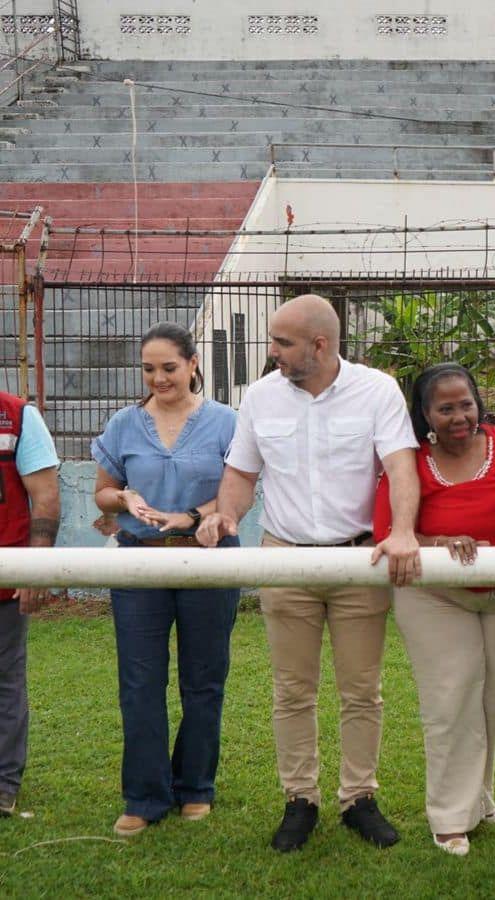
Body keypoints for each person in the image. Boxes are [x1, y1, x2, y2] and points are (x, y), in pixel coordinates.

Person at [196, 294, 422, 853]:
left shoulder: (377, 391)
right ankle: (300, 799)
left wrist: (404, 531)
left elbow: (400, 468)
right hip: (285, 558)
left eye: (282, 343)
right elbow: (242, 473)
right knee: (292, 690)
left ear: (319, 345)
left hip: (358, 560)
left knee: (361, 690)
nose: (271, 352)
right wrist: (225, 514)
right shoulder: (262, 397)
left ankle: (358, 799)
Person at [372, 363, 495, 857]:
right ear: (425, 415)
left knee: (492, 702)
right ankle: (448, 817)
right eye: (445, 408)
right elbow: (387, 534)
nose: (459, 416)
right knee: (450, 700)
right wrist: (438, 542)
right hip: (435, 594)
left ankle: (480, 799)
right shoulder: (411, 462)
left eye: (466, 403)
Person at [91, 323, 242, 837]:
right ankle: (144, 795)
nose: (159, 378)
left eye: (170, 368)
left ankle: (196, 786)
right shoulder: (125, 424)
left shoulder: (226, 422)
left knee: (204, 679)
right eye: (150, 369)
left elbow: (238, 490)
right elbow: (103, 491)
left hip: (209, 558)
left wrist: (191, 517)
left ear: (194, 364)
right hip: (138, 561)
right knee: (139, 682)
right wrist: (125, 500)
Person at [0, 390, 59, 817]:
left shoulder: (18, 417)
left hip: (6, 578)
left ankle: (3, 786)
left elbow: (45, 496)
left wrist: (36, 566)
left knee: (5, 682)